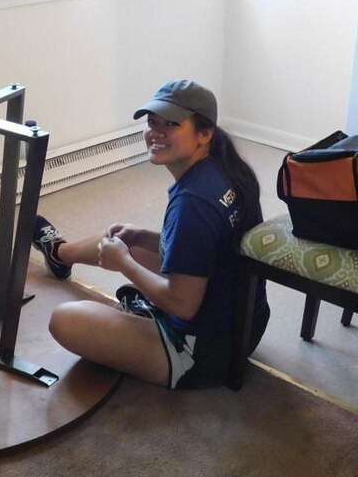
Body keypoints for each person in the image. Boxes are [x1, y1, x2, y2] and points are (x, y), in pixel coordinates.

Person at [32, 79, 270, 390]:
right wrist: (144, 236)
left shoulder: (193, 203)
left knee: (64, 320)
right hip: (247, 323)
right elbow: (208, 249)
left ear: (204, 133)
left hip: (202, 352)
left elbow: (183, 305)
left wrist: (124, 265)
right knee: (127, 239)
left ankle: (145, 316)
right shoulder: (229, 168)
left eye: (170, 124)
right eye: (151, 122)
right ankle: (59, 254)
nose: (155, 133)